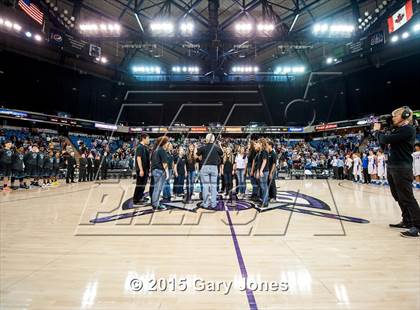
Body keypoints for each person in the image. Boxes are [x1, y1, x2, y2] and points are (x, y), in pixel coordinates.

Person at [373, 106, 420, 238]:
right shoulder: (398, 130)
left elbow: (384, 139)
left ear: (404, 116)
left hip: (402, 168)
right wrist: (382, 133)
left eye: (395, 115)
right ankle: (407, 221)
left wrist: (377, 132)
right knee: (398, 196)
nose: (392, 118)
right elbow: (384, 142)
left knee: (407, 197)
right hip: (393, 166)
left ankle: (417, 226)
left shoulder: (408, 129)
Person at [196, 134, 223, 209]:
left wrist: (201, 158)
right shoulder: (216, 148)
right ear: (213, 140)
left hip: (205, 167)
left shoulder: (203, 147)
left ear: (206, 139)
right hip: (214, 167)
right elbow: (222, 153)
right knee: (214, 187)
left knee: (205, 186)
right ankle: (213, 204)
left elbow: (197, 155)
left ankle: (205, 204)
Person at [150, 136, 169, 210]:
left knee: (156, 188)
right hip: (159, 171)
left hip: (155, 170)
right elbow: (164, 163)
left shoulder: (155, 150)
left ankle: (155, 203)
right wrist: (167, 173)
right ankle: (156, 205)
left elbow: (152, 161)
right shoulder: (161, 150)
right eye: (167, 142)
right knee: (158, 188)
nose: (168, 143)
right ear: (164, 143)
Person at [133, 133, 150, 205]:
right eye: (148, 138)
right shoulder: (140, 147)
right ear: (143, 138)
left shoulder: (144, 147)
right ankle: (136, 200)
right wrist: (141, 169)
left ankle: (140, 197)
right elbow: (138, 158)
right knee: (139, 184)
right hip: (141, 169)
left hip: (145, 169)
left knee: (143, 184)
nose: (148, 140)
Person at [255, 138, 270, 208]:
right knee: (262, 186)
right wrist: (258, 171)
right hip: (262, 171)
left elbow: (264, 161)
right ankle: (264, 200)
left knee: (264, 187)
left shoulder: (264, 151)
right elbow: (259, 163)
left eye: (257, 143)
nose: (256, 144)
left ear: (261, 143)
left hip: (264, 171)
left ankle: (265, 202)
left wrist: (260, 170)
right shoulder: (260, 151)